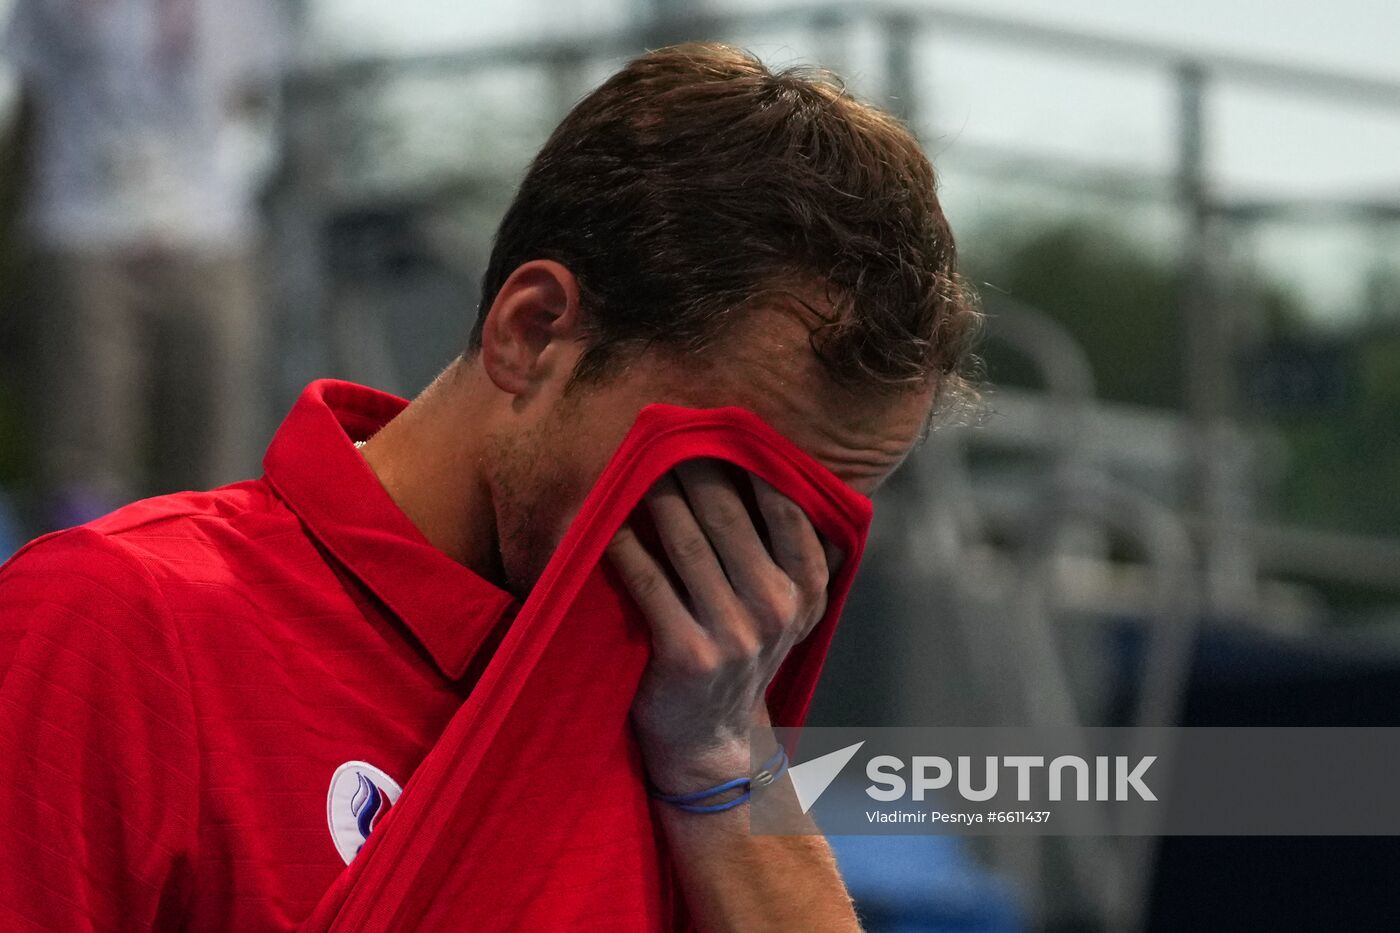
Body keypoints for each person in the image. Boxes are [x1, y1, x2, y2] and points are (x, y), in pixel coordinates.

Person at [0, 43, 978, 930]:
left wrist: (725, 763)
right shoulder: (118, 627)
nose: (763, 586)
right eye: (717, 479)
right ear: (531, 332)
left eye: (812, 527)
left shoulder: (694, 719)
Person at [4, 0, 286, 526]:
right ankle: (76, 593)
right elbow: (33, 107)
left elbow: (250, 104)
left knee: (215, 440)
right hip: (84, 228)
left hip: (211, 234)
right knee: (83, 446)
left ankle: (206, 592)